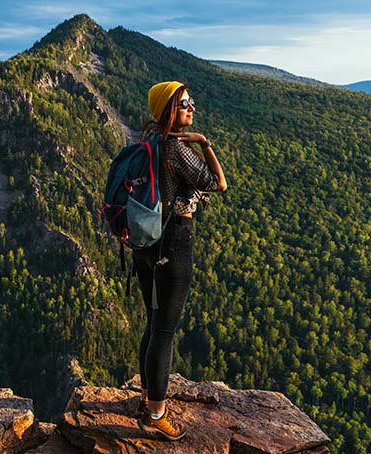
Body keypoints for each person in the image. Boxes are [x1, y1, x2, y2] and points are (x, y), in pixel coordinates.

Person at [134, 81, 227, 441]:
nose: (192, 108)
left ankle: (146, 399)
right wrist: (205, 143)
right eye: (186, 103)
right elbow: (218, 183)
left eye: (191, 101)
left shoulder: (148, 144)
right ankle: (156, 414)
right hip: (174, 241)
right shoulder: (176, 148)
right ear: (170, 109)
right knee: (165, 331)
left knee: (153, 322)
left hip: (145, 243)